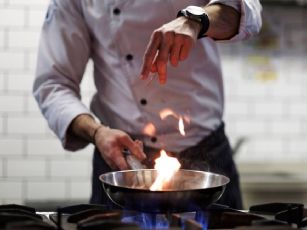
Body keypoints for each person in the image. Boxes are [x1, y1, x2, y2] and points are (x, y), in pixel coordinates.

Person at [33, 0, 262, 210]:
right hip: (122, 162)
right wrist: (97, 132)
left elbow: (248, 12)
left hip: (207, 156)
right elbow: (54, 84)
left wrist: (196, 19)